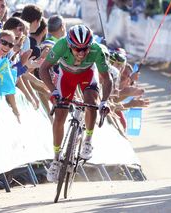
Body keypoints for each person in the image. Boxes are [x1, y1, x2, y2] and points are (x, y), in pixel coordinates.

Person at [39, 24, 112, 182]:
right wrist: (54, 91)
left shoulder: (96, 50)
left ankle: (87, 141)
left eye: (85, 49)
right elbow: (43, 69)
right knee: (59, 116)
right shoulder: (61, 45)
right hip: (66, 78)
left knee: (91, 102)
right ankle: (56, 160)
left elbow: (107, 79)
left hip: (87, 75)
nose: (82, 53)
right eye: (77, 49)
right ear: (69, 45)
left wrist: (105, 101)